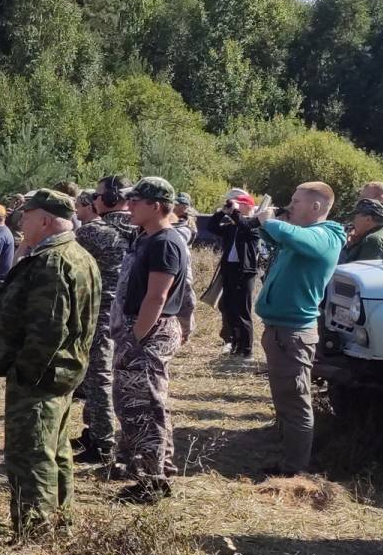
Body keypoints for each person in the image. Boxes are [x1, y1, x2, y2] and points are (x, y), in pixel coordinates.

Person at [0, 190, 102, 539]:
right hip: (62, 372)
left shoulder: (53, 262)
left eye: (26, 215)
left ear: (45, 219)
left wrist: (25, 373)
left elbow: (48, 329)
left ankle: (36, 533)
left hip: (41, 377)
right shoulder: (78, 255)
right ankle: (59, 521)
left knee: (32, 454)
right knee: (56, 451)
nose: (20, 221)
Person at [253, 182, 345, 477]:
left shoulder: (326, 237)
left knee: (295, 403)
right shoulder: (305, 237)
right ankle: (289, 460)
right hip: (282, 332)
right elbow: (283, 237)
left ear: (315, 206)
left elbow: (292, 236)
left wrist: (269, 220)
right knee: (287, 400)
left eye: (296, 201)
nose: (290, 206)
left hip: (292, 334)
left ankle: (294, 472)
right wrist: (261, 225)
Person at [111, 177, 192, 503]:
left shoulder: (165, 243)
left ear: (155, 206)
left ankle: (151, 485)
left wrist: (135, 338)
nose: (128, 206)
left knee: (144, 407)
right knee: (140, 404)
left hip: (148, 331)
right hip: (140, 330)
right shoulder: (147, 237)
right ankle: (155, 467)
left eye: (135, 201)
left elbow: (157, 297)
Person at [67, 182, 136, 466]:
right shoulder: (137, 231)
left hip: (100, 312)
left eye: (97, 194)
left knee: (97, 377)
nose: (94, 198)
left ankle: (102, 441)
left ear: (108, 198)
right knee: (103, 375)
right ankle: (95, 432)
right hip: (125, 313)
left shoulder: (95, 232)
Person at [206, 189, 264, 358]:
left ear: (247, 206)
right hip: (229, 270)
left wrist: (236, 211)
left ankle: (247, 350)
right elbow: (212, 227)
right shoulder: (232, 226)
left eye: (237, 205)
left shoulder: (255, 225)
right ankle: (235, 345)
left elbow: (245, 226)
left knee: (242, 310)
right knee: (229, 307)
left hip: (245, 272)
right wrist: (222, 212)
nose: (233, 208)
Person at [340, 198, 383, 264]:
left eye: (355, 217)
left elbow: (358, 269)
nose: (353, 221)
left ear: (368, 219)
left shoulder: (372, 240)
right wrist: (354, 245)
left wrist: (347, 249)